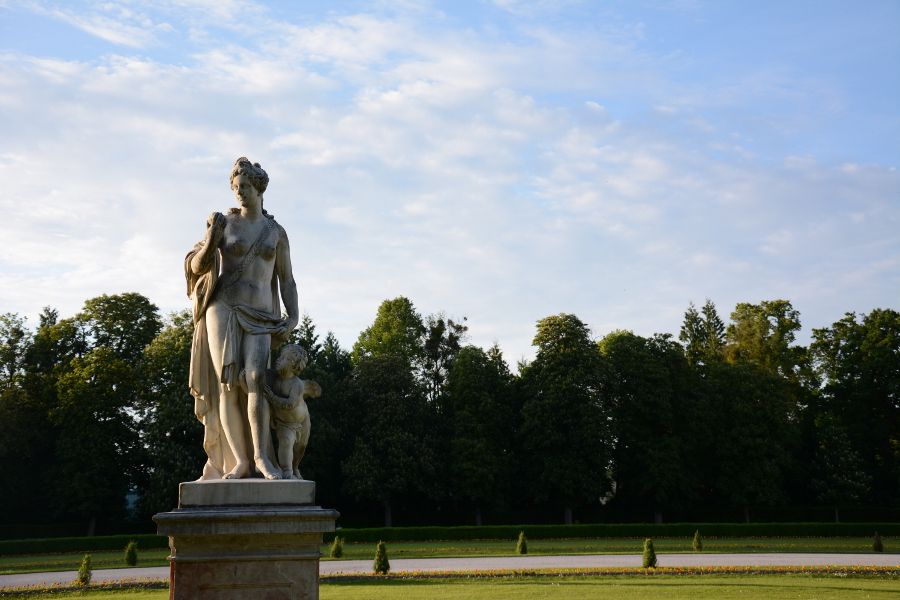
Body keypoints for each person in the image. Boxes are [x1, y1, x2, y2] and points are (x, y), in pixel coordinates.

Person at [185, 157, 299, 480]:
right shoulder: (225, 224)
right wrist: (211, 237)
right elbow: (196, 267)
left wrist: (294, 315)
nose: (240, 193)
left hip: (260, 314)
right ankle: (241, 461)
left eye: (245, 187)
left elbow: (287, 280)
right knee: (228, 387)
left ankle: (262, 457)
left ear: (259, 188)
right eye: (236, 188)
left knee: (255, 379)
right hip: (223, 308)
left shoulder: (276, 233)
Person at [263, 344, 322, 480]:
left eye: (283, 358)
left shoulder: (296, 384)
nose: (278, 360)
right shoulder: (274, 379)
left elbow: (290, 404)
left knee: (300, 448)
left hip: (302, 421)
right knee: (286, 443)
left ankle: (295, 467)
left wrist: (272, 397)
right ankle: (287, 470)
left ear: (293, 364)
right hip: (284, 423)